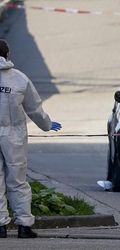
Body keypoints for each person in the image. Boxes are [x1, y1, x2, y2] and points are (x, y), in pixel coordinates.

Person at [0, 39, 62, 238]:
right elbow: (34, 109)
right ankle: (24, 225)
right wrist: (46, 124)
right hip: (14, 137)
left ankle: (0, 226)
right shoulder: (19, 79)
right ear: (7, 54)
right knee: (17, 180)